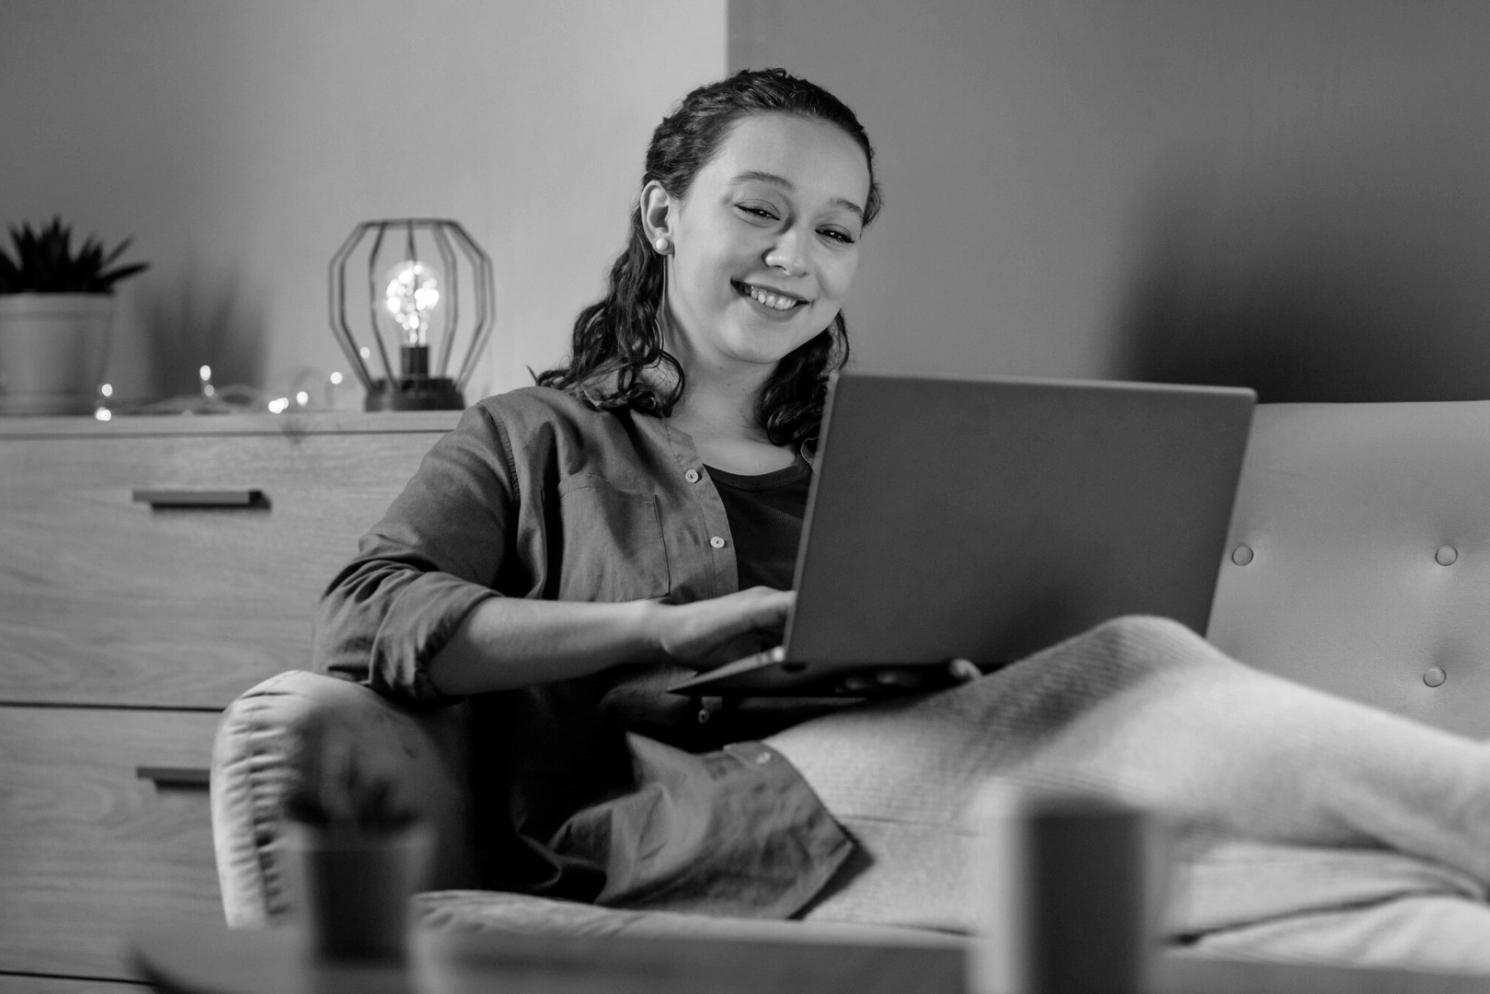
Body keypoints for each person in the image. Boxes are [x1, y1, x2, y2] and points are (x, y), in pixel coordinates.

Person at [317, 68, 1490, 969]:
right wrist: (655, 629)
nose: (795, 255)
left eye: (835, 231)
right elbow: (368, 614)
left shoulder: (868, 464)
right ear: (663, 216)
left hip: (938, 773)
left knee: (1398, 915)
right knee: (1136, 660)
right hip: (691, 828)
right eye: (760, 209)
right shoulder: (530, 436)